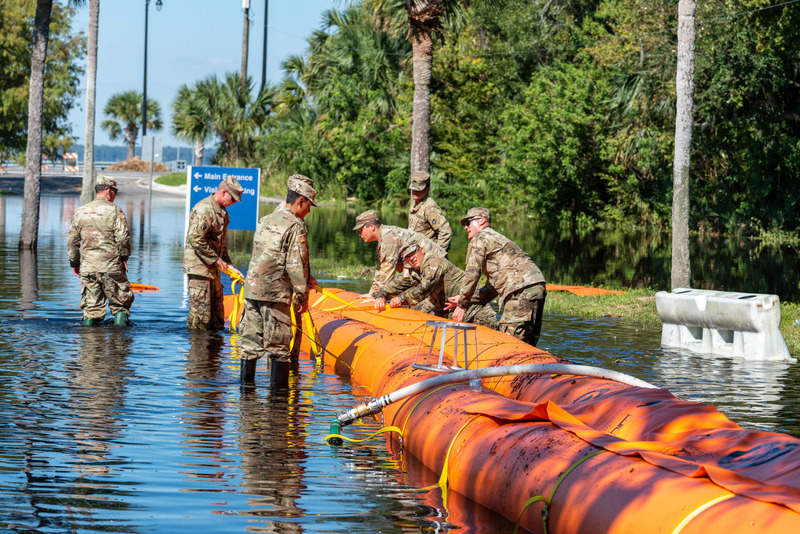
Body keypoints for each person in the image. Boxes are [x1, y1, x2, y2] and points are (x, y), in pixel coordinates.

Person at [240, 175, 318, 385]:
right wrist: (302, 296)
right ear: (301, 201)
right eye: (309, 205)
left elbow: (267, 256)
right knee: (279, 350)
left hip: (252, 291)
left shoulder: (266, 220)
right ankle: (278, 406)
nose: (309, 211)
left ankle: (246, 399)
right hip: (275, 294)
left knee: (250, 345)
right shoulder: (295, 226)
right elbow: (295, 265)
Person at [446, 207, 547, 346]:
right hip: (535, 287)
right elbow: (491, 290)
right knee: (527, 345)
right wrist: (464, 299)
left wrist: (462, 305)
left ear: (481, 221)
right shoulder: (496, 240)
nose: (465, 227)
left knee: (510, 344)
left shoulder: (480, 238)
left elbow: (472, 274)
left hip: (520, 291)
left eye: (468, 222)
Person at [373, 245, 498, 329]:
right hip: (452, 315)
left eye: (413, 253)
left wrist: (400, 298)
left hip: (473, 310)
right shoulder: (411, 271)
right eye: (407, 257)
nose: (411, 258)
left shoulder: (433, 261)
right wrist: (380, 296)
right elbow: (394, 285)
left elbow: (425, 287)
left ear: (421, 250)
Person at [67, 175, 134, 326]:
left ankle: (90, 343)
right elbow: (123, 238)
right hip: (111, 266)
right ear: (108, 190)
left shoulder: (81, 211)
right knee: (120, 303)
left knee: (91, 307)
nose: (116, 195)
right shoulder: (115, 211)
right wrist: (124, 258)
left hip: (88, 267)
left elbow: (72, 241)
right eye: (115, 191)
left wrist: (74, 263)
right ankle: (119, 341)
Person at [353, 210, 446, 313]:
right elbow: (381, 268)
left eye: (361, 230)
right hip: (420, 270)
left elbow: (386, 271)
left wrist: (375, 296)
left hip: (434, 266)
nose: (359, 234)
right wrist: (374, 293)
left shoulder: (388, 237)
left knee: (435, 304)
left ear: (371, 226)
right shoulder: (385, 237)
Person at [183, 176, 244, 330]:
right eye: (233, 198)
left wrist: (229, 268)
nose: (235, 203)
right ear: (223, 192)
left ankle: (214, 352)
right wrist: (217, 261)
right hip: (200, 271)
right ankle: (198, 352)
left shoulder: (222, 213)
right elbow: (194, 238)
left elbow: (222, 245)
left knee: (217, 320)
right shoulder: (205, 209)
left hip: (214, 271)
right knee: (200, 320)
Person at [408, 171, 452, 252]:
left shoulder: (430, 208)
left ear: (427, 189)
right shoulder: (415, 203)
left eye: (418, 190)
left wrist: (436, 255)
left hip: (427, 256)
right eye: (413, 189)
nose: (414, 192)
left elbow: (445, 232)